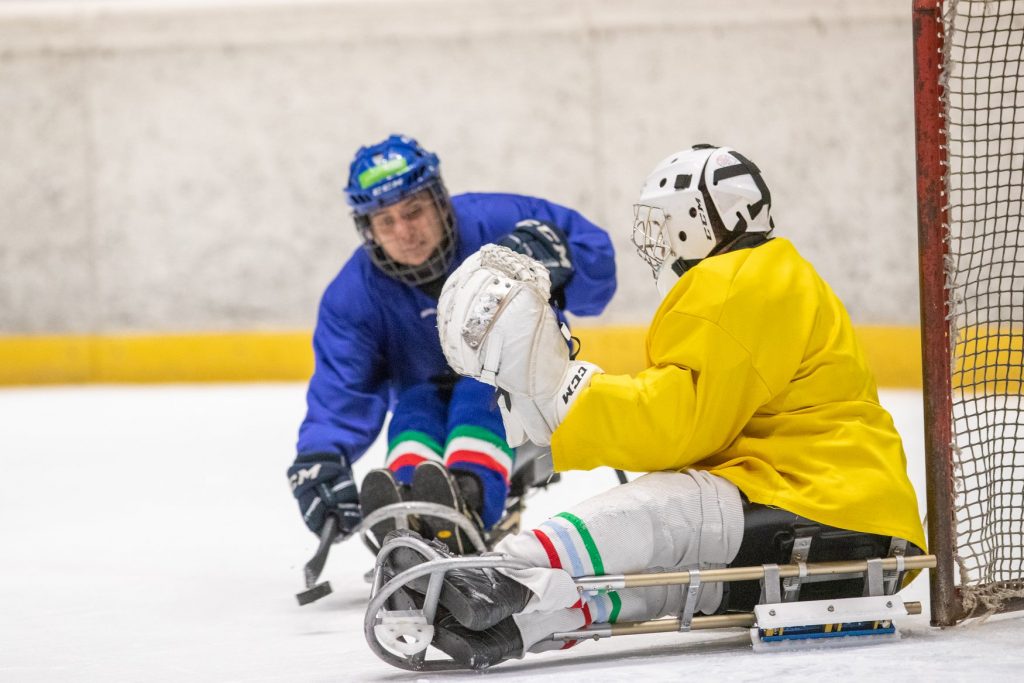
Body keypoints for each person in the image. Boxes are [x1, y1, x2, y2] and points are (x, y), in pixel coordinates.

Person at [386, 144, 928, 668]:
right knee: (658, 581)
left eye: (664, 220)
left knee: (656, 516)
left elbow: (678, 424)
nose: (657, 237)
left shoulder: (739, 282)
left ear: (702, 217)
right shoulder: (769, 277)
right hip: (846, 515)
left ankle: (496, 576)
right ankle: (511, 626)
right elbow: (692, 407)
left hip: (816, 498)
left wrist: (566, 391)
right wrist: (578, 395)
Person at [286, 134, 617, 553]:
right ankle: (406, 511)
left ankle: (468, 503)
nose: (404, 232)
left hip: (521, 392)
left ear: (440, 200)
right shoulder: (353, 294)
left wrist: (564, 259)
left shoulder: (497, 221)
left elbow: (597, 269)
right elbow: (344, 390)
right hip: (426, 395)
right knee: (413, 409)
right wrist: (320, 458)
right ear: (367, 229)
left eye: (414, 211)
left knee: (478, 394)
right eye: (385, 221)